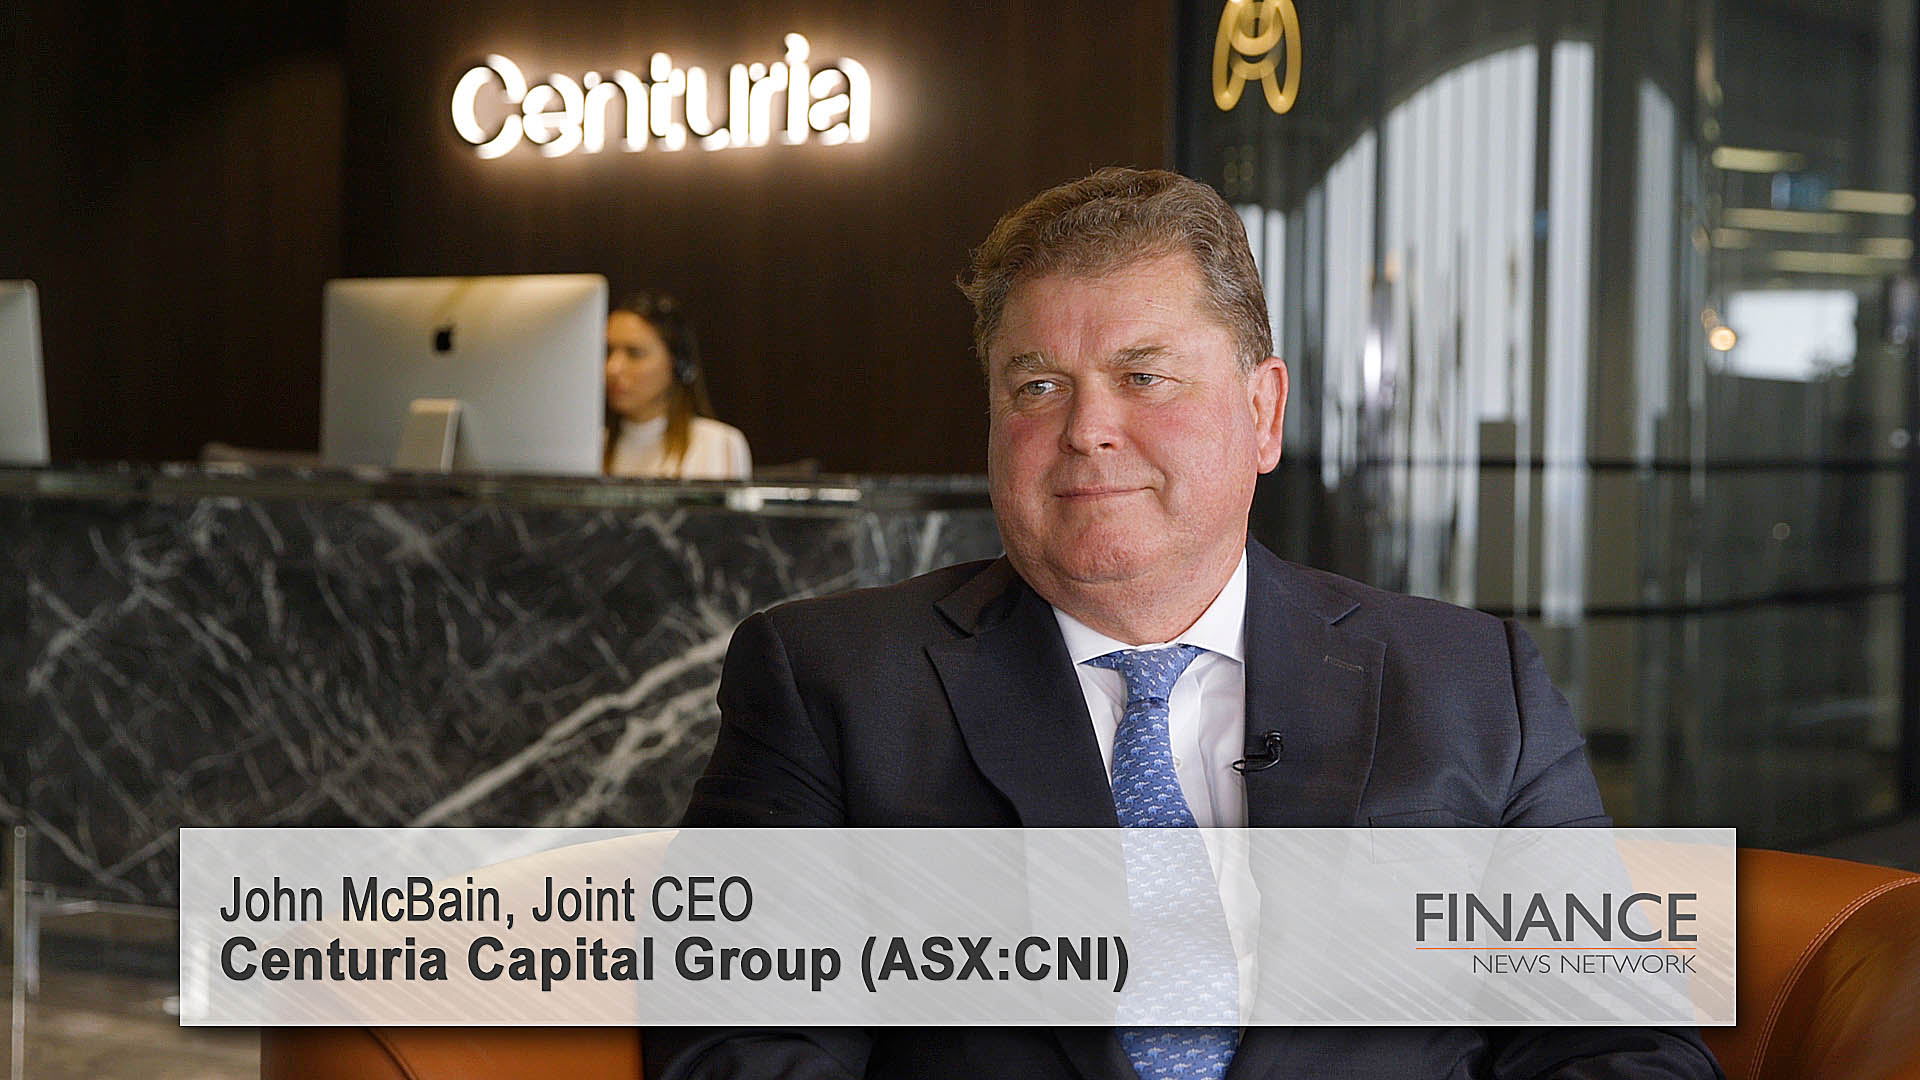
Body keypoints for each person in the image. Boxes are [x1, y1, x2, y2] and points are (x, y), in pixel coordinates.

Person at [651, 169, 1722, 1079]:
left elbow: (1617, 1043)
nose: (1088, 430)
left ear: (1262, 411)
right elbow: (737, 1038)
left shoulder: (1475, 683)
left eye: (1143, 376)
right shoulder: (827, 682)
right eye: (1038, 386)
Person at [604, 292, 751, 479]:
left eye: (635, 353)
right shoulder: (590, 448)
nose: (612, 368)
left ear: (678, 363)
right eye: (607, 352)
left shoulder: (718, 444)